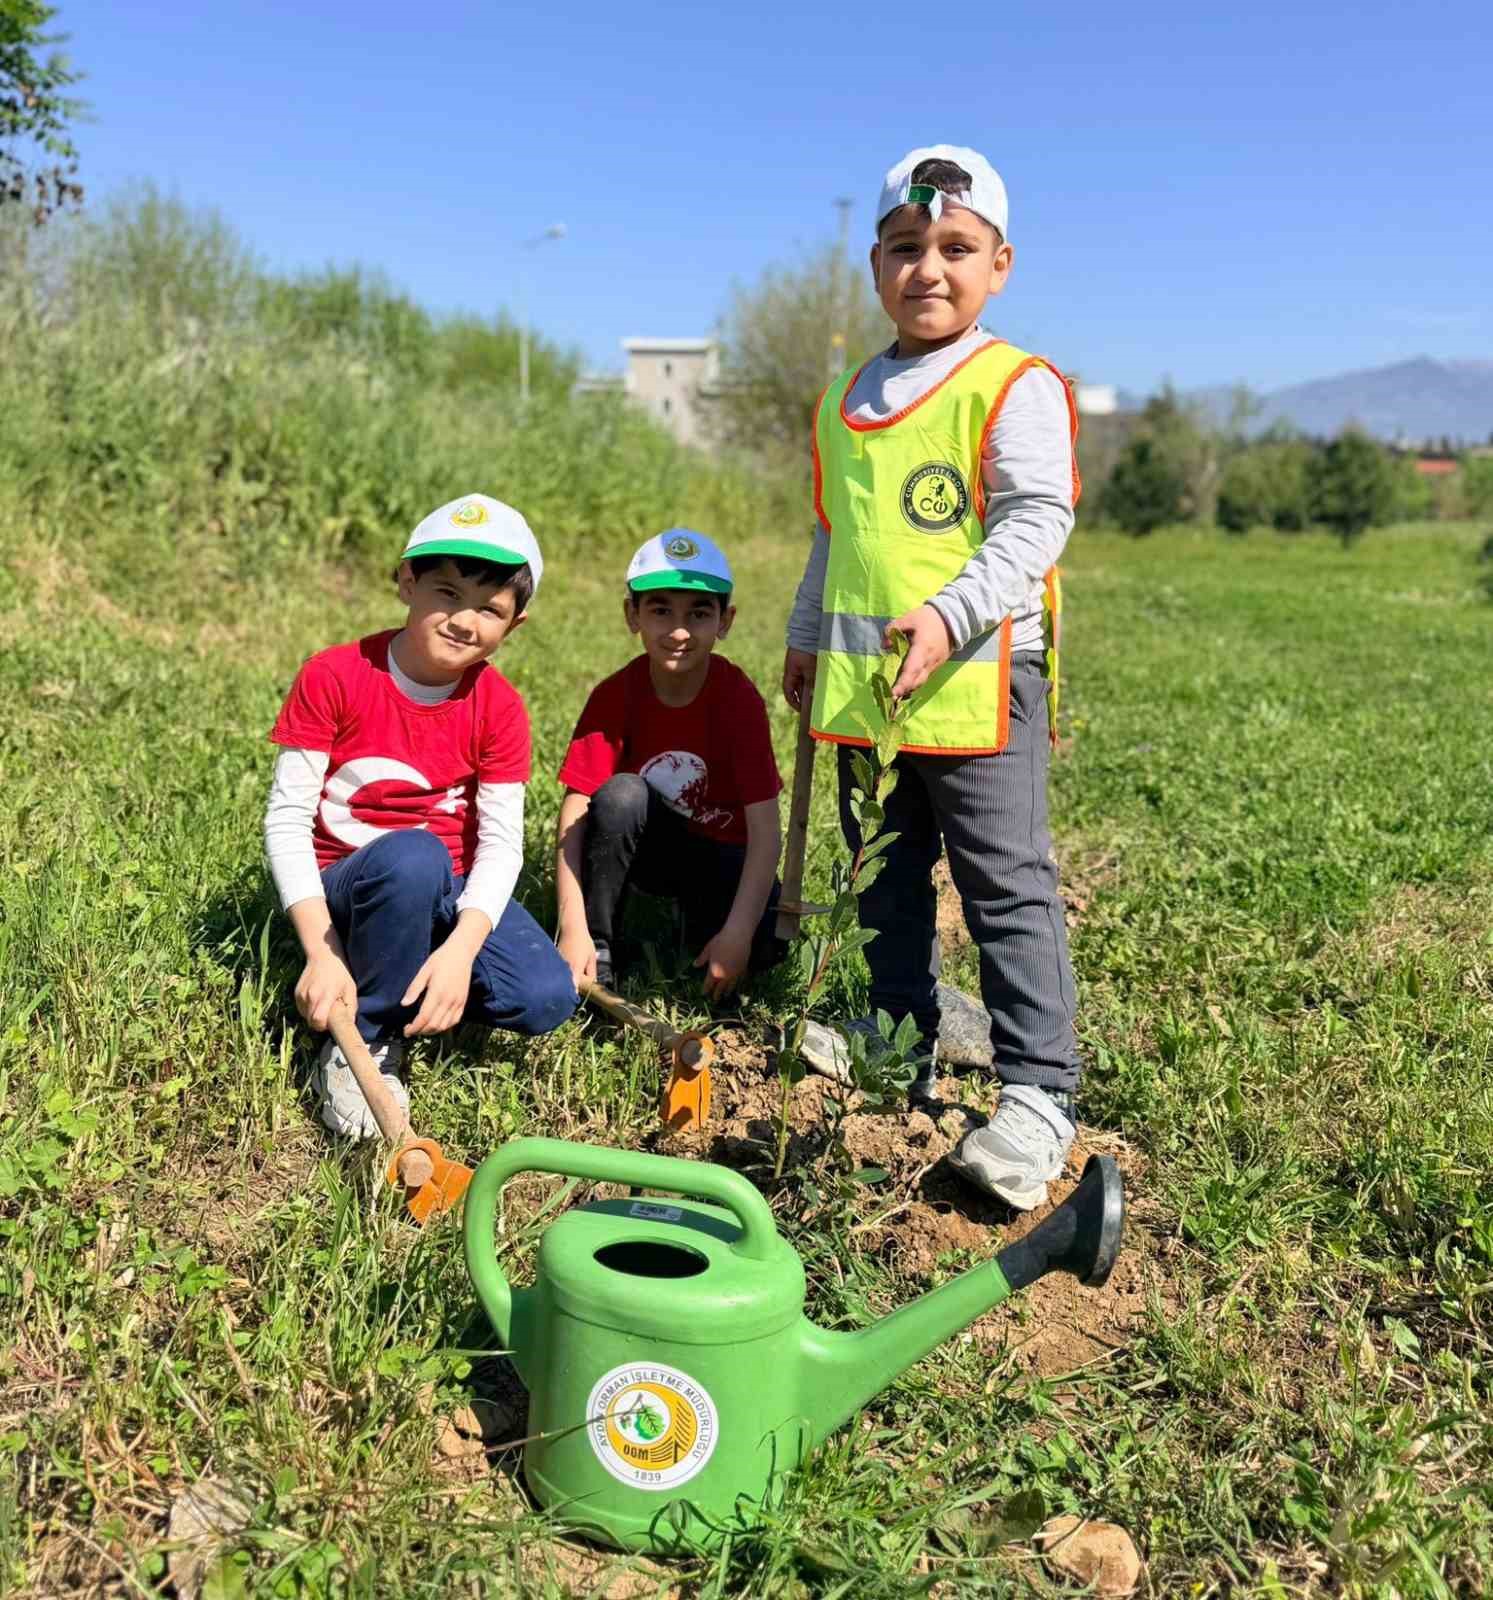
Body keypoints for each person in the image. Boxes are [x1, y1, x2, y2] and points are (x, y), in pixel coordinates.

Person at [783, 145, 1082, 1211]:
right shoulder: (841, 399)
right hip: (872, 689)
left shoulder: (1013, 384)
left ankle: (1038, 1092)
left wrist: (952, 613)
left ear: (997, 264)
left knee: (1004, 885)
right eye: (905, 249)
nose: (928, 269)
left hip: (983, 678)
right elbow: (837, 535)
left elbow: (1035, 520)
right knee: (883, 869)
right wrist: (807, 630)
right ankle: (898, 1028)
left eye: (955, 248)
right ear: (874, 267)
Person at [264, 493, 578, 1138]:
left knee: (544, 996)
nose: (464, 620)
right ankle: (367, 1039)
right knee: (413, 854)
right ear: (406, 581)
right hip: (345, 885)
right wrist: (320, 951)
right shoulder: (334, 675)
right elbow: (287, 819)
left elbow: (500, 845)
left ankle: (416, 967)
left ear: (513, 625)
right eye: (446, 592)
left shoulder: (500, 707)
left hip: (447, 890)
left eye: (489, 609)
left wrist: (462, 951)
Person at [555, 529, 784, 1000]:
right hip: (653, 849)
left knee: (762, 949)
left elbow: (766, 833)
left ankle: (702, 928)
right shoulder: (614, 695)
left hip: (723, 858)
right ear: (631, 615)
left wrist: (738, 933)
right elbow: (576, 814)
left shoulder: (738, 701)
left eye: (698, 614)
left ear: (725, 621)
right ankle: (601, 949)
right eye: (661, 610)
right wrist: (571, 925)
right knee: (620, 796)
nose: (679, 631)